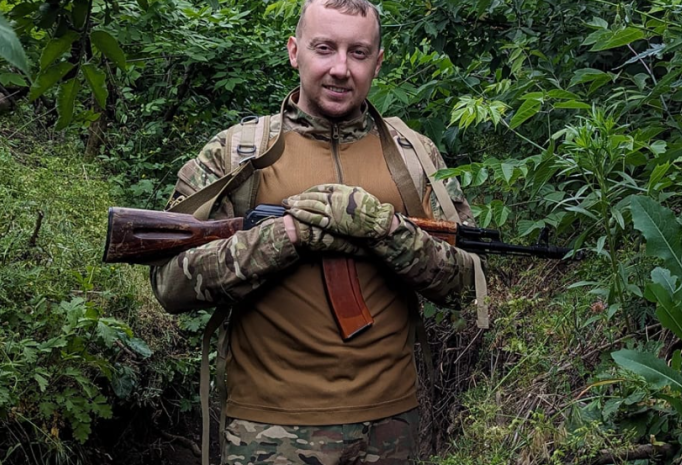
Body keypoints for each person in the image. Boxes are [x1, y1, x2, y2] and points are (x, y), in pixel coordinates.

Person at [149, 0, 478, 463]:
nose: (341, 68)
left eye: (358, 53)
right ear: (294, 51)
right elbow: (170, 281)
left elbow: (472, 285)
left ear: (378, 62)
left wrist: (384, 230)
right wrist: (285, 237)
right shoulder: (237, 154)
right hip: (268, 429)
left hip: (392, 426)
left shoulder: (415, 157)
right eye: (324, 48)